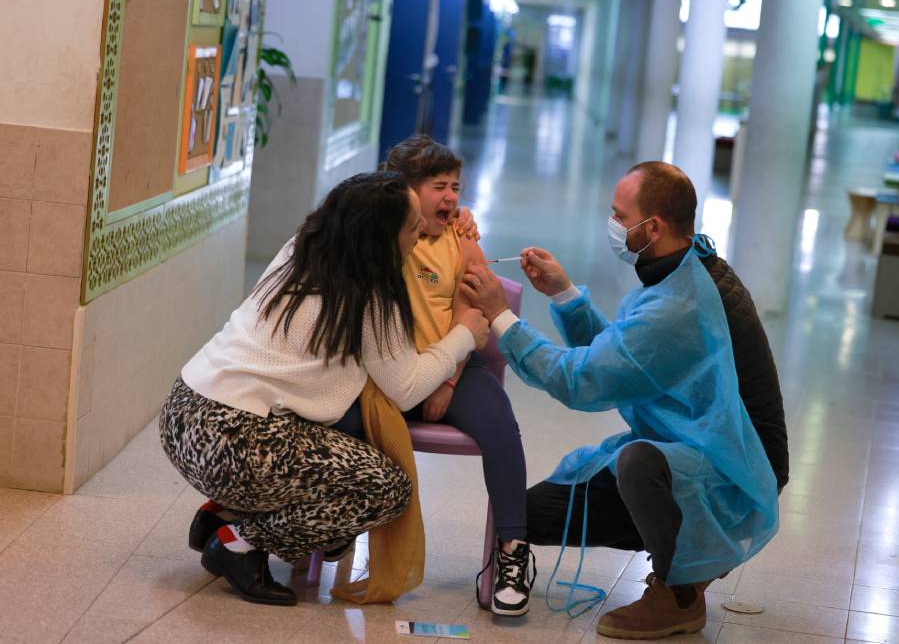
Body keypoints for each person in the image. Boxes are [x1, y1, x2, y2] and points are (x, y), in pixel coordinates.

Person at [459, 162, 781, 639]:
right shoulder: (680, 267)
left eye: (618, 215)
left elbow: (581, 380)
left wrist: (499, 316)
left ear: (652, 227)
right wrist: (564, 294)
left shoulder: (678, 304)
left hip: (727, 465)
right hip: (688, 444)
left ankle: (680, 591)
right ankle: (679, 547)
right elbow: (627, 355)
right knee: (526, 514)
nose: (611, 224)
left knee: (638, 463)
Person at [158, 172, 489, 606]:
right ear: (382, 237)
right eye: (412, 228)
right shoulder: (372, 293)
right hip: (235, 442)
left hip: (183, 414)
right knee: (386, 489)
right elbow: (406, 388)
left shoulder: (306, 244)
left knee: (337, 453)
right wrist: (463, 335)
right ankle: (238, 542)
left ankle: (222, 512)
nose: (420, 235)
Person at [381, 135, 534, 616]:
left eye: (456, 188)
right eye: (438, 186)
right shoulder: (379, 231)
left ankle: (511, 552)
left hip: (452, 368)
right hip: (385, 371)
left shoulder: (461, 242)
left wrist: (447, 381)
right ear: (405, 189)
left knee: (502, 427)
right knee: (328, 415)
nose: (451, 197)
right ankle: (318, 526)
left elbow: (474, 315)